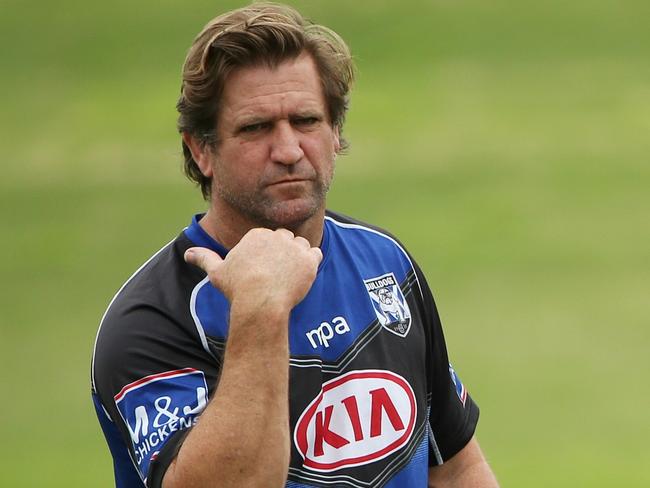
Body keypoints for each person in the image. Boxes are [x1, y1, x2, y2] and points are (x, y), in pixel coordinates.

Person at [91, 3, 499, 487]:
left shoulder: (384, 263)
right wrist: (261, 309)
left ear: (336, 132)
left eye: (305, 120)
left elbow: (455, 467)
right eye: (255, 128)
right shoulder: (153, 321)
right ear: (201, 149)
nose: (288, 151)